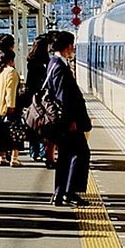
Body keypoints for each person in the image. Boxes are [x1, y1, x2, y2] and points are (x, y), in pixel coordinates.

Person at [46, 31, 92, 207]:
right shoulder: (59, 66)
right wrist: (71, 121)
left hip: (64, 121)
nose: (73, 49)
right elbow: (62, 96)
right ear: (68, 47)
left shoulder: (54, 63)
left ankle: (59, 194)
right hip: (68, 123)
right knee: (80, 154)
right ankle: (70, 193)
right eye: (72, 45)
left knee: (65, 156)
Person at [25, 35, 55, 168]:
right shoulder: (45, 63)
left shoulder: (31, 61)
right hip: (42, 98)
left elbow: (29, 82)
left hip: (32, 97)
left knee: (33, 124)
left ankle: (34, 151)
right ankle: (44, 152)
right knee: (44, 124)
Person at [0, 51, 22, 166]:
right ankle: (14, 158)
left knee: (0, 133)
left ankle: (1, 156)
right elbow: (10, 90)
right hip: (8, 107)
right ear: (11, 60)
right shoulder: (11, 72)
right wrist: (11, 105)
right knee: (14, 133)